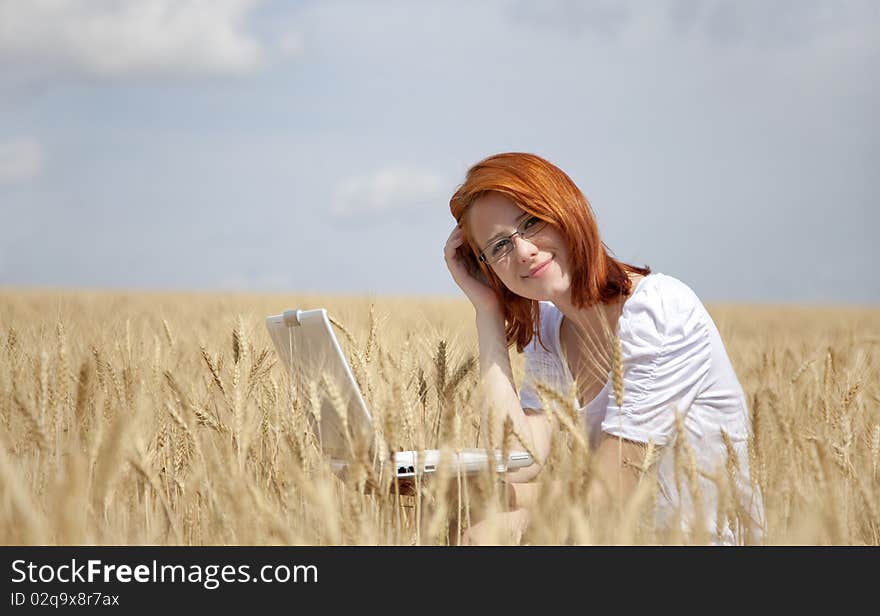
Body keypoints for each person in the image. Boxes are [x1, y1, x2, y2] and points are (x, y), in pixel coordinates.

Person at [443, 152, 764, 545]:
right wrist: (488, 311)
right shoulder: (551, 327)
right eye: (498, 247)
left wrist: (516, 520)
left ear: (566, 210)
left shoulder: (657, 311)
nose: (523, 250)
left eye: (531, 222)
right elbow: (516, 463)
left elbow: (608, 495)